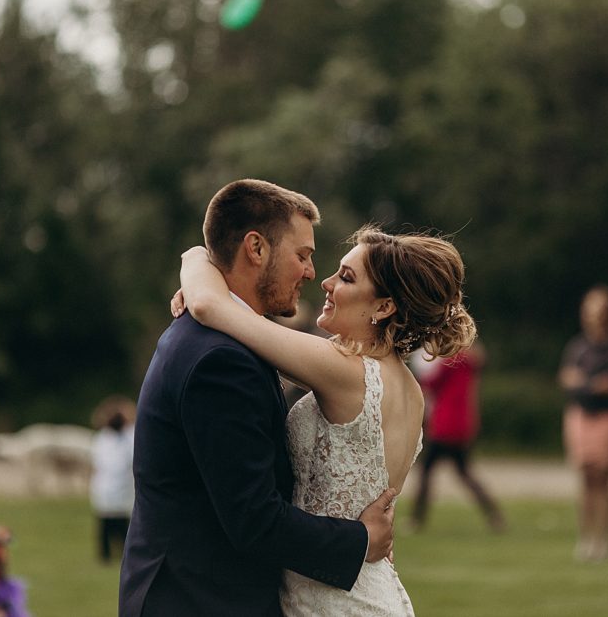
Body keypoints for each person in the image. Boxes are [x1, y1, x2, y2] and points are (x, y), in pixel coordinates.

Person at [119, 180, 399, 617]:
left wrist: (195, 262)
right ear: (256, 249)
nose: (311, 272)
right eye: (303, 255)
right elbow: (254, 520)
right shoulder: (221, 360)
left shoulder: (219, 337)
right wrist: (359, 541)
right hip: (201, 600)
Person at [173, 215, 477, 616]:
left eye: (347, 278)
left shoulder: (345, 372)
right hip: (370, 590)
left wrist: (196, 257)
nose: (327, 283)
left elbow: (210, 306)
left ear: (384, 306)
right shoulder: (407, 389)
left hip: (333, 600)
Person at [557, 285, 608, 561]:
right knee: (585, 478)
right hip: (581, 415)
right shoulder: (579, 346)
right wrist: (591, 384)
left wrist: (583, 382)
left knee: (604, 479)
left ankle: (604, 540)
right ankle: (586, 539)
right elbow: (566, 377)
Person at [409, 341, 504, 532]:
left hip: (444, 425)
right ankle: (494, 515)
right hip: (463, 425)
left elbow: (430, 384)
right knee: (465, 473)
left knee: (426, 471)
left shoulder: (451, 362)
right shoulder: (471, 364)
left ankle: (417, 520)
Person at [89, 395, 135, 563]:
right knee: (111, 524)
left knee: (115, 523)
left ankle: (115, 553)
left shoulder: (105, 439)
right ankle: (110, 554)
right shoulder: (104, 439)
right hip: (110, 489)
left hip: (111, 489)